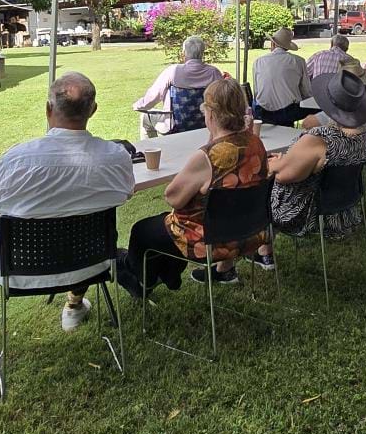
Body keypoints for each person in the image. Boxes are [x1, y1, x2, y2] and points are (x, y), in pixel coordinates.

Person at [0, 73, 133, 349]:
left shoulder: (18, 160)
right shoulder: (116, 158)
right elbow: (126, 192)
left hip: (20, 270)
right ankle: (74, 304)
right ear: (93, 110)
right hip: (92, 264)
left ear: (48, 110)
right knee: (80, 222)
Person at [115, 78, 271, 295]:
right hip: (250, 233)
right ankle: (167, 274)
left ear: (211, 113)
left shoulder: (209, 156)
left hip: (210, 240)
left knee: (143, 230)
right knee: (162, 226)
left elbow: (173, 198)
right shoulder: (256, 143)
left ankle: (142, 281)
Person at [268, 70, 366, 242]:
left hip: (307, 213)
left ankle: (263, 249)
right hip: (345, 209)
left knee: (263, 184)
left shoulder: (319, 139)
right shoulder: (365, 137)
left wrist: (275, 164)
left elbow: (284, 176)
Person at [133, 35, 222, 137]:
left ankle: (151, 150)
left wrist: (138, 105)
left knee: (145, 117)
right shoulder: (214, 73)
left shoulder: (173, 71)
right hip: (205, 125)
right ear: (202, 53)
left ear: (184, 53)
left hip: (174, 126)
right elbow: (224, 98)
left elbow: (154, 96)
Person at [250, 28, 313, 127]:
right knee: (318, 107)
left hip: (262, 112)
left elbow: (256, 92)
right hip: (288, 113)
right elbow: (306, 92)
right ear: (287, 47)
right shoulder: (298, 61)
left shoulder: (258, 61)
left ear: (273, 44)